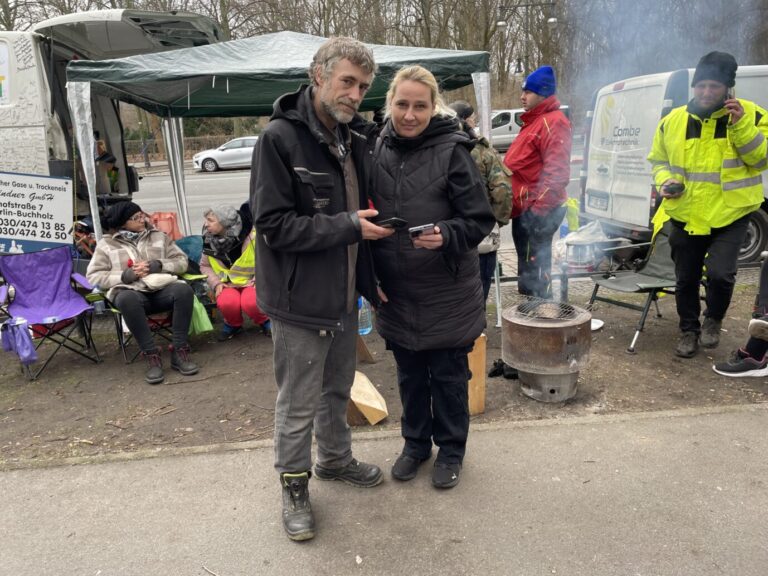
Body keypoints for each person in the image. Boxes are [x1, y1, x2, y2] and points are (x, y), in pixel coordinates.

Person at [249, 37, 393, 542]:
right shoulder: (280, 139)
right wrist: (348, 225)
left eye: (363, 86)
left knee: (337, 388)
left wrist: (369, 284)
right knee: (298, 401)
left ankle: (334, 461)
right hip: (298, 301)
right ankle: (293, 485)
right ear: (318, 75)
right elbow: (273, 226)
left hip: (342, 295)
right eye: (347, 82)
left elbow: (363, 219)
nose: (355, 94)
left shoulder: (353, 140)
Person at [369, 66, 494, 490]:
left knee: (448, 378)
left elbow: (479, 219)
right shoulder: (374, 148)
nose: (409, 114)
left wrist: (448, 234)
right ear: (390, 104)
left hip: (446, 290)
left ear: (432, 106)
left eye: (419, 105)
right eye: (402, 104)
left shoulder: (454, 150)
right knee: (409, 376)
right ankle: (415, 444)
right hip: (398, 291)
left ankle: (452, 449)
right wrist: (369, 277)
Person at [648, 51, 768, 359]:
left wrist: (740, 125)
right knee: (685, 278)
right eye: (700, 86)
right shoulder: (672, 121)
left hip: (731, 213)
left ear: (728, 88)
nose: (705, 92)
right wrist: (664, 182)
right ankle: (689, 330)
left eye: (713, 86)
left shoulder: (752, 116)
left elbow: (761, 159)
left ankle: (713, 318)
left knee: (720, 274)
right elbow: (658, 161)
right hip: (685, 213)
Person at [86, 201, 198, 384]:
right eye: (136, 217)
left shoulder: (159, 236)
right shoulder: (106, 244)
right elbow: (94, 276)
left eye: (142, 215)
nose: (142, 219)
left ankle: (179, 351)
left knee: (183, 290)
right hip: (132, 293)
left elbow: (182, 261)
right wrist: (124, 276)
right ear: (123, 222)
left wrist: (159, 265)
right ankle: (151, 355)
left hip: (161, 289)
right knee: (125, 299)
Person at [503, 65, 572, 300]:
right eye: (523, 92)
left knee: (536, 268)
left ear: (543, 93)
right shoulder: (533, 121)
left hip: (539, 211)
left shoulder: (554, 122)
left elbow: (558, 173)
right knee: (526, 266)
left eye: (528, 92)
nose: (522, 97)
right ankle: (529, 311)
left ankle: (540, 313)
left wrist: (537, 212)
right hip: (524, 209)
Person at [448, 100, 512, 302]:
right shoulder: (482, 151)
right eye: (473, 117)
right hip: (481, 232)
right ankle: (475, 330)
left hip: (450, 233)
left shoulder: (443, 148)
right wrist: (497, 221)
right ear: (468, 120)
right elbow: (502, 191)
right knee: (480, 288)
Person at [200, 204, 270, 341]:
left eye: (210, 220)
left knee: (251, 302)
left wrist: (260, 279)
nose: (205, 224)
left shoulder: (253, 237)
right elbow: (204, 266)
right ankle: (233, 324)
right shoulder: (208, 240)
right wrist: (216, 283)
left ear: (225, 223)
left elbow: (268, 260)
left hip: (252, 282)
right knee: (227, 302)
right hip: (227, 284)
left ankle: (265, 321)